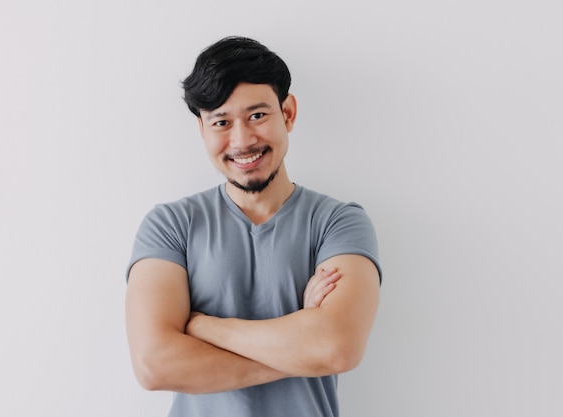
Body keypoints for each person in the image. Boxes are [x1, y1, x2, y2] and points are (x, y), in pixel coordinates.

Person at [125, 36, 381, 417]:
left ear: (288, 113)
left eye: (257, 115)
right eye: (221, 122)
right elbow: (154, 365)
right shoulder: (169, 226)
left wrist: (205, 328)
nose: (242, 140)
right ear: (202, 128)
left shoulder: (339, 223)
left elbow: (336, 348)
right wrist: (299, 346)